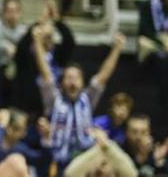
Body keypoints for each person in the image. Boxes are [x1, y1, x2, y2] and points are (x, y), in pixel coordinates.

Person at [33, 27, 126, 172]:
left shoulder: (87, 99)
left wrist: (117, 49)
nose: (72, 82)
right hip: (58, 158)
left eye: (76, 78)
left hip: (84, 157)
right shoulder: (54, 100)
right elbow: (46, 74)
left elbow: (103, 76)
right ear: (62, 83)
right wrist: (37, 42)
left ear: (82, 82)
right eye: (68, 78)